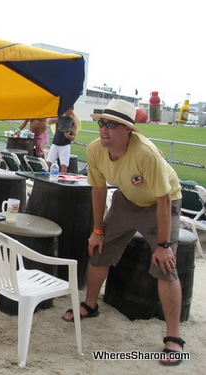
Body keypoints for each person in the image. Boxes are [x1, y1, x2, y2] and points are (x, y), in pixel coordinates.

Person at [61, 99, 185, 366]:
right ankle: (90, 305)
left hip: (161, 203)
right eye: (101, 123)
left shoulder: (145, 153)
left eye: (112, 125)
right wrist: (97, 230)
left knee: (166, 264)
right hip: (127, 200)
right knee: (99, 248)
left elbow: (163, 199)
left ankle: (173, 336)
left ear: (128, 129)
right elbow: (98, 189)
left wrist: (163, 244)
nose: (104, 129)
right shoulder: (95, 150)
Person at [46, 106, 78, 172]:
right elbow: (49, 122)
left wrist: (67, 135)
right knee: (48, 162)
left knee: (64, 165)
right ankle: (45, 176)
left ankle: (62, 179)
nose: (69, 111)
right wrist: (59, 119)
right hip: (55, 143)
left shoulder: (73, 122)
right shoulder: (60, 117)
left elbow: (73, 138)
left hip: (65, 145)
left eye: (71, 109)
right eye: (68, 109)